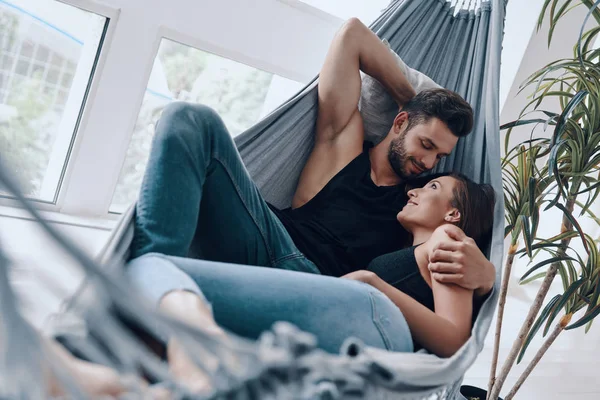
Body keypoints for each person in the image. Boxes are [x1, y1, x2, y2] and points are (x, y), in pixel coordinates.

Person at [131, 17, 495, 299]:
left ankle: (152, 282)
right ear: (399, 123)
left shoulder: (421, 200)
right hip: (269, 239)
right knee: (189, 119)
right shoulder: (343, 145)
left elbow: (445, 250)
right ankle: (150, 277)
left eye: (440, 155)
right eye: (426, 145)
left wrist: (485, 279)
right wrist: (410, 100)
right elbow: (351, 35)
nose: (429, 163)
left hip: (316, 286)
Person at [122, 172, 495, 393]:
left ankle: (197, 355)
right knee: (148, 277)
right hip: (361, 327)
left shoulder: (448, 239)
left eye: (431, 187)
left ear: (453, 212)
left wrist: (372, 282)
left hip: (379, 321)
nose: (413, 191)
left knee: (146, 268)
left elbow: (453, 340)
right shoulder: (417, 248)